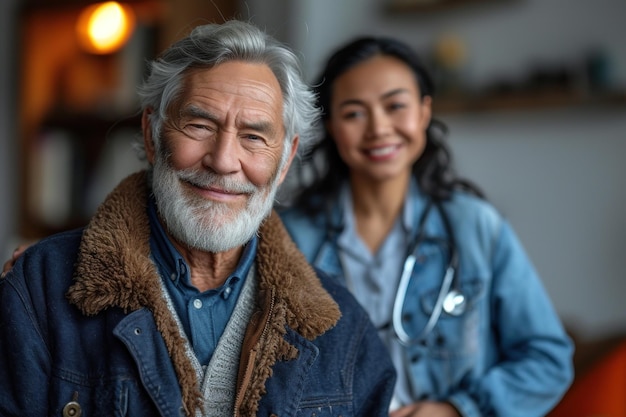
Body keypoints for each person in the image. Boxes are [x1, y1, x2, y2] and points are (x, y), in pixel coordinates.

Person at [0, 21, 396, 417]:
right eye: (200, 125)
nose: (223, 161)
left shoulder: (342, 328)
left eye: (254, 137)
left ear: (286, 160)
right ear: (153, 135)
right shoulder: (41, 288)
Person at [278, 36, 574, 417]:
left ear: (424, 111)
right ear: (331, 125)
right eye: (354, 113)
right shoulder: (289, 237)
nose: (379, 128)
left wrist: (456, 410)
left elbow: (547, 359)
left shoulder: (474, 227)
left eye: (396, 106)